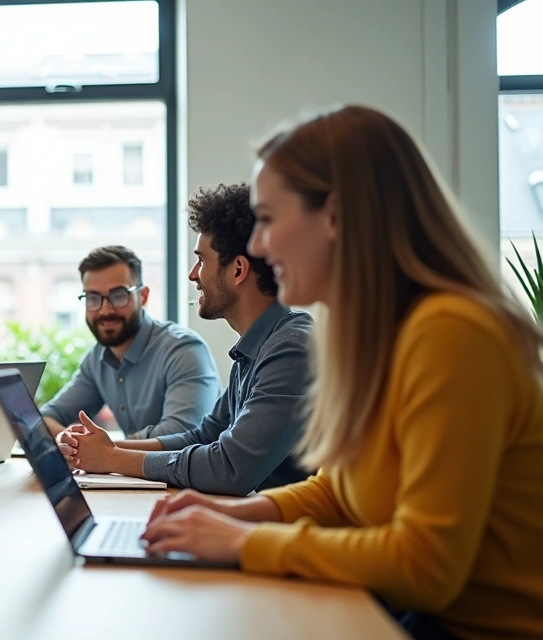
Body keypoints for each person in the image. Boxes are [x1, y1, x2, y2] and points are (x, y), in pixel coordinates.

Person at [139, 105, 543, 640]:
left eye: (268, 219)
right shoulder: (377, 333)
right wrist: (240, 517)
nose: (256, 246)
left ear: (332, 215)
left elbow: (426, 567)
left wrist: (243, 542)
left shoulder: (451, 332)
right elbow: (338, 491)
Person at [57, 184, 313, 495]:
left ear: (238, 270)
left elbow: (230, 468)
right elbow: (203, 436)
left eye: (202, 261)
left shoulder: (291, 348)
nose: (193, 275)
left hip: (292, 533)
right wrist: (100, 447)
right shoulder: (254, 351)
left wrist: (112, 457)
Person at [40, 246, 219, 438]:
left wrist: (102, 451)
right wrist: (68, 442)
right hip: (133, 468)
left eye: (118, 296)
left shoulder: (184, 351)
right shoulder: (98, 359)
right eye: (93, 298)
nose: (104, 310)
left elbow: (180, 435)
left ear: (143, 296)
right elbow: (47, 418)